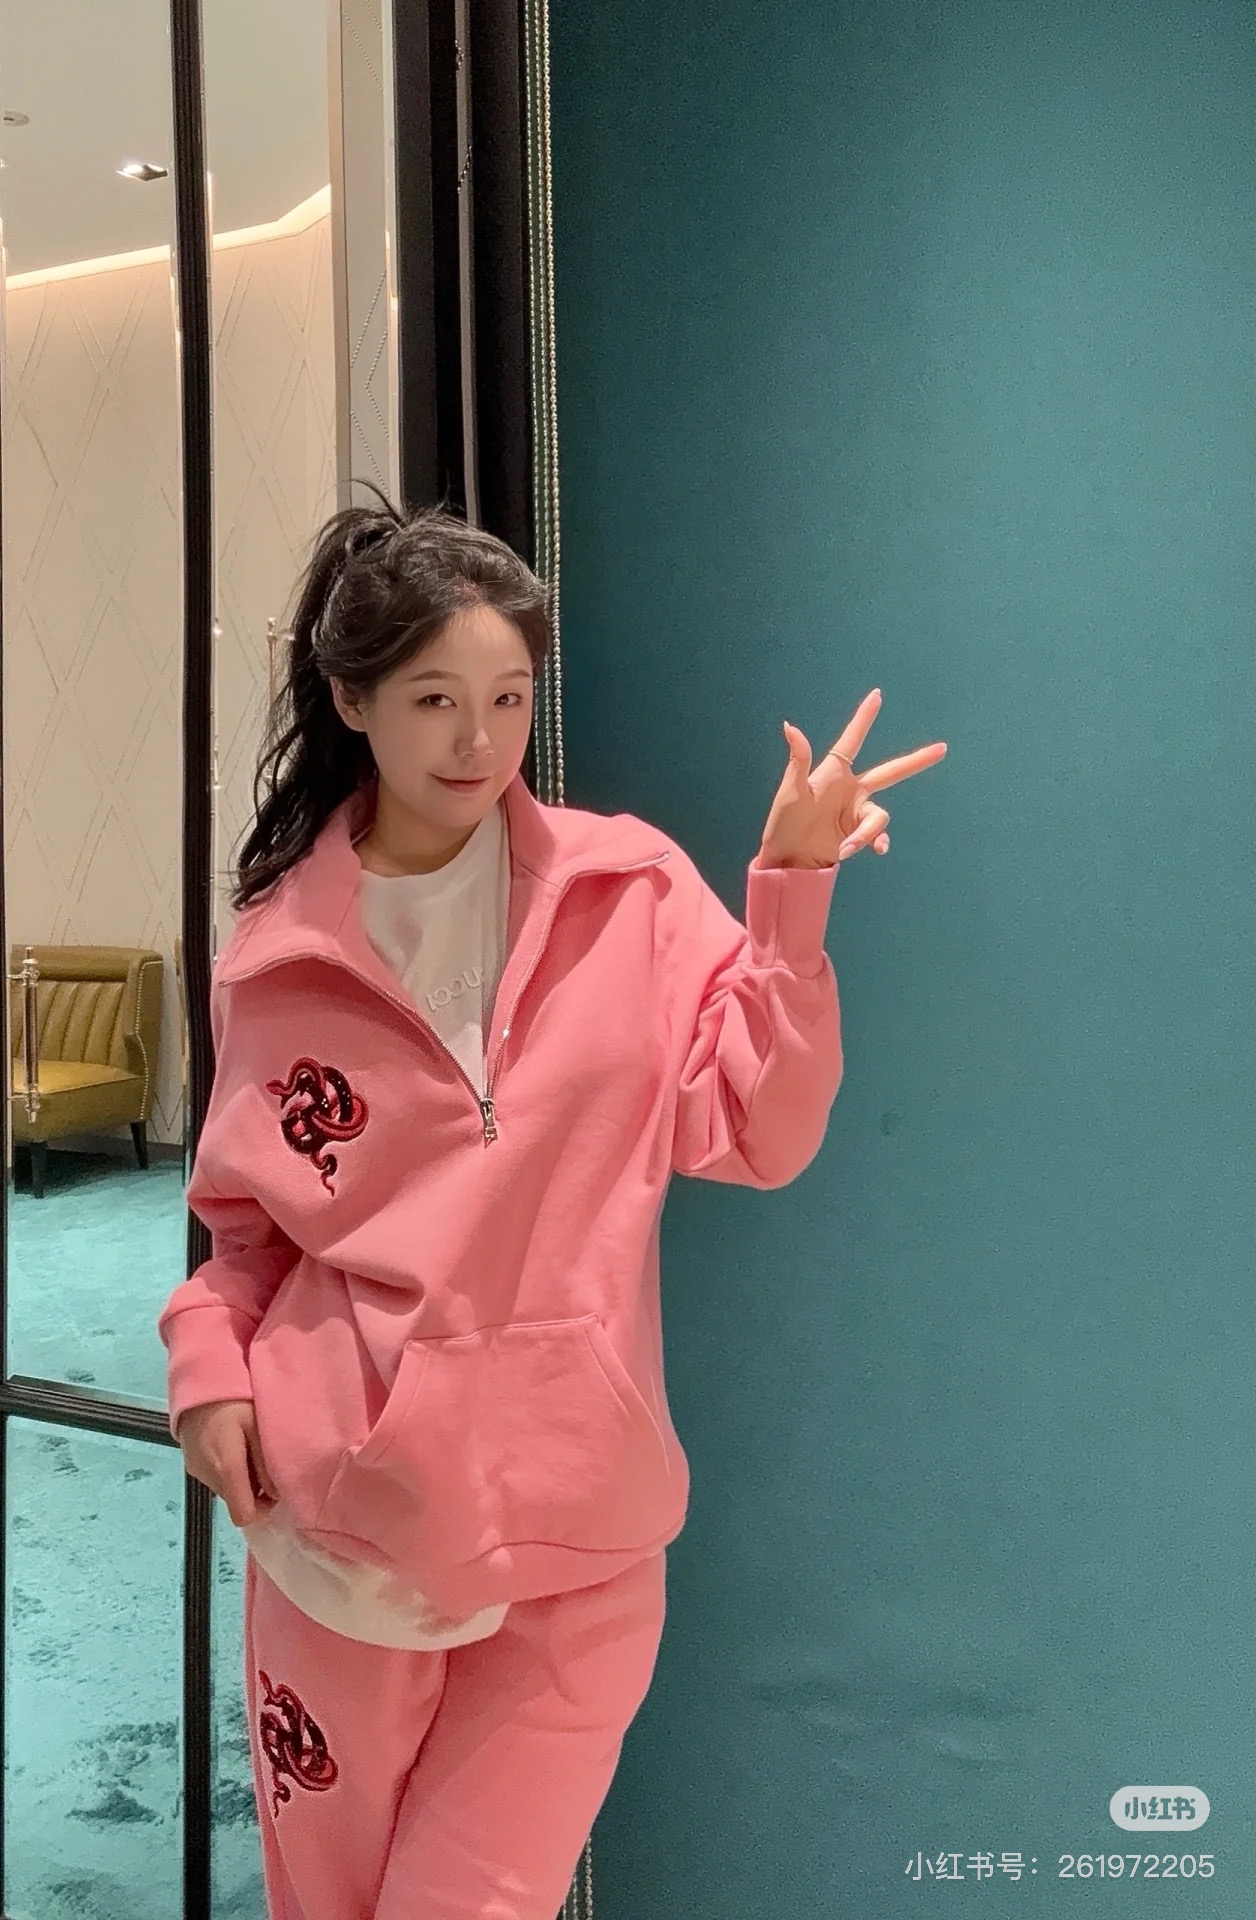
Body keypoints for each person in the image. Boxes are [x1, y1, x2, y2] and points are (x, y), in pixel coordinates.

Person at [158, 486, 946, 1920]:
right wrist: (209, 1377)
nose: (479, 741)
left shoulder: (630, 891)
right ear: (353, 702)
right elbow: (248, 1236)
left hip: (582, 1535)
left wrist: (791, 888)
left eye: (509, 699)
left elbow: (757, 1133)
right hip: (348, 1538)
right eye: (436, 700)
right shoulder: (277, 953)